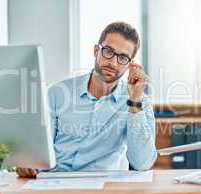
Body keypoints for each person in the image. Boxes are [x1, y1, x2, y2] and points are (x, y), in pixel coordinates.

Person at [16, 21, 157, 178]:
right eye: (108, 51)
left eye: (123, 57)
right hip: (52, 182)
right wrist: (27, 161)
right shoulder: (56, 93)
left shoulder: (139, 102)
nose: (113, 62)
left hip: (101, 187)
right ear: (96, 50)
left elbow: (142, 163)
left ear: (130, 64)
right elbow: (37, 150)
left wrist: (135, 102)